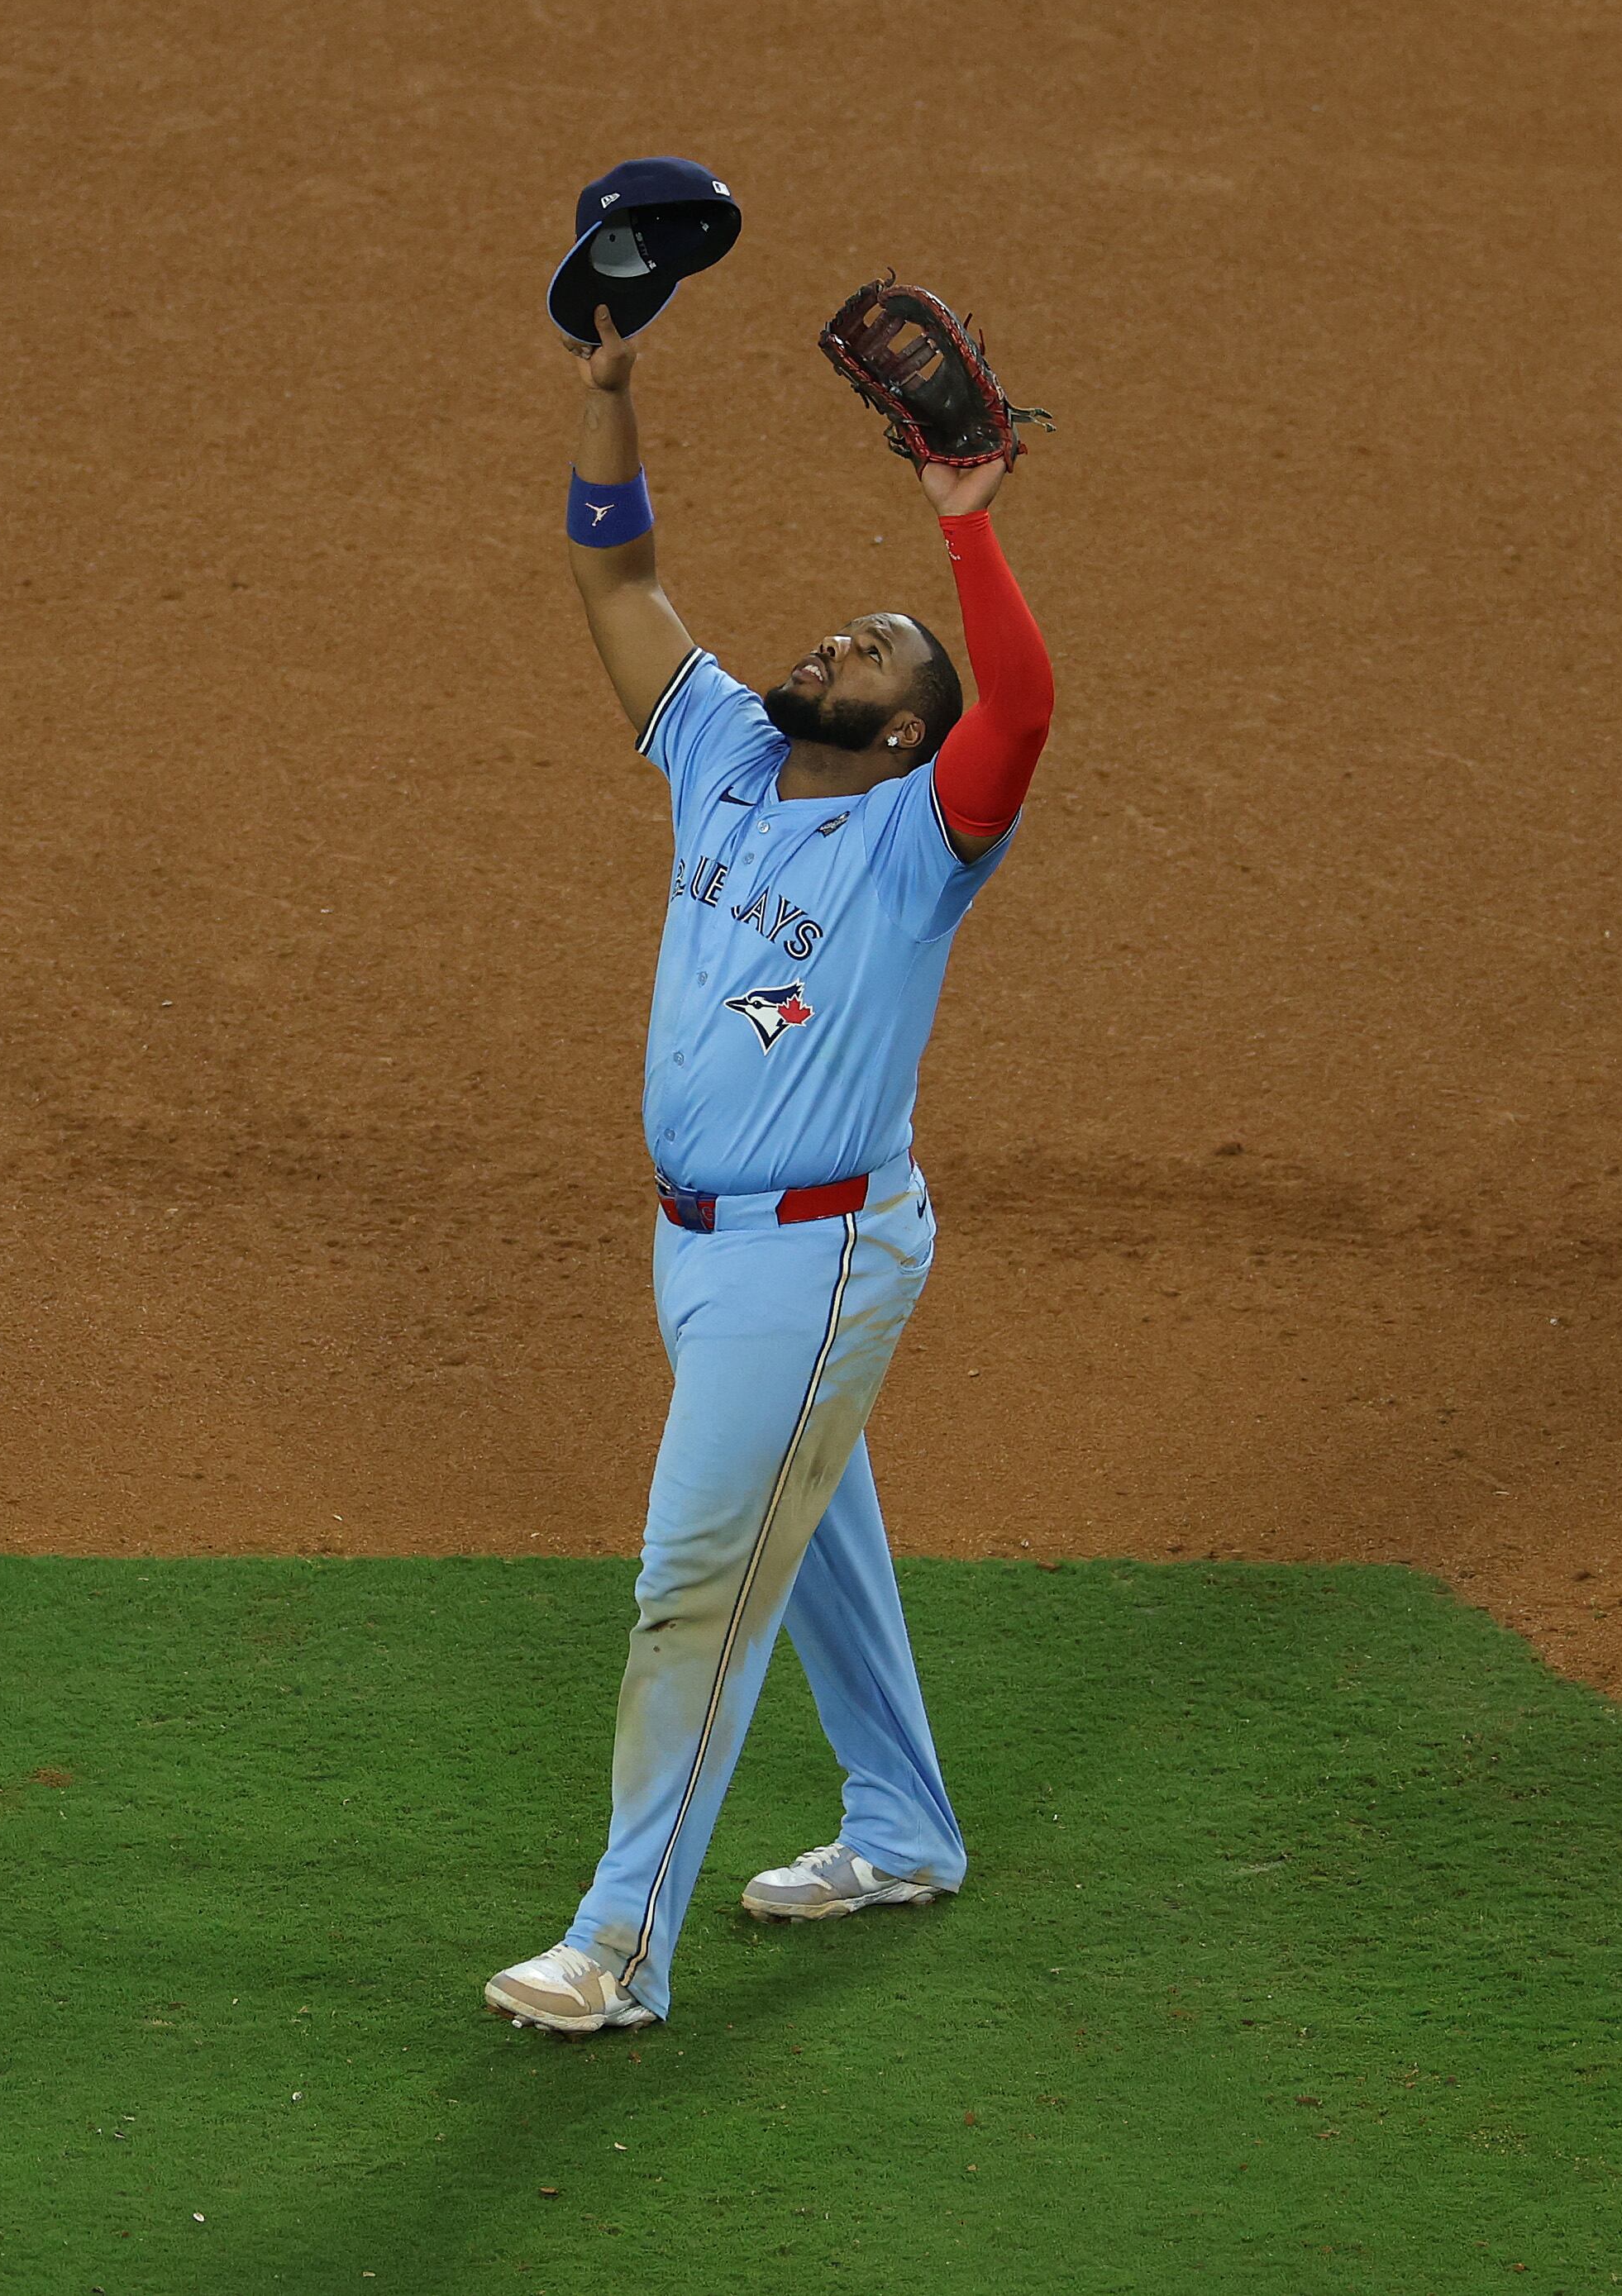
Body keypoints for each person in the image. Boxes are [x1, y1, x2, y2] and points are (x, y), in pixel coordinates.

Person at [484, 299, 1060, 2035]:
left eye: (884, 650)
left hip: (814, 1254)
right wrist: (609, 391)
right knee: (807, 1539)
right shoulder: (730, 757)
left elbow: (1023, 712)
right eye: (851, 630)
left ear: (905, 733)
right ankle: (901, 1827)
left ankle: (619, 1945)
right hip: (702, 1253)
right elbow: (616, 581)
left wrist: (964, 526)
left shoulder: (920, 834)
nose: (845, 642)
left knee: (699, 1581)